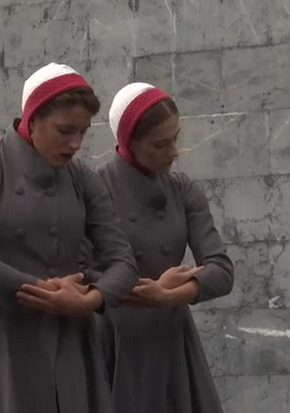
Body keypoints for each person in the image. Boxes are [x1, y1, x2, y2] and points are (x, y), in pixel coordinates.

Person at [0, 62, 139, 413]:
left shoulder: (84, 180)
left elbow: (122, 262)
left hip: (70, 330)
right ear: (32, 122)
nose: (75, 143)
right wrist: (43, 292)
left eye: (82, 132)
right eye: (64, 131)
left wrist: (92, 299)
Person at [96, 82, 235, 413]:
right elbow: (85, 271)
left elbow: (221, 269)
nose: (174, 151)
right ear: (128, 143)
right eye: (160, 144)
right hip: (114, 339)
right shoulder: (95, 189)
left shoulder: (182, 189)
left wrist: (168, 296)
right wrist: (147, 290)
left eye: (175, 138)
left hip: (171, 335)